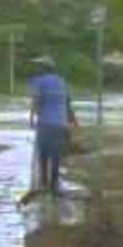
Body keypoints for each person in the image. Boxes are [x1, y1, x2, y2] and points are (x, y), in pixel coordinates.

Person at [28, 56, 78, 196]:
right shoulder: (62, 81)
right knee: (56, 154)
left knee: (43, 152)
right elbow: (67, 103)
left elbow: (36, 100)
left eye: (39, 66)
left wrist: (31, 118)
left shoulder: (38, 81)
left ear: (43, 68)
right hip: (61, 123)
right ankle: (54, 185)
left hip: (45, 123)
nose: (36, 69)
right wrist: (74, 121)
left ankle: (44, 183)